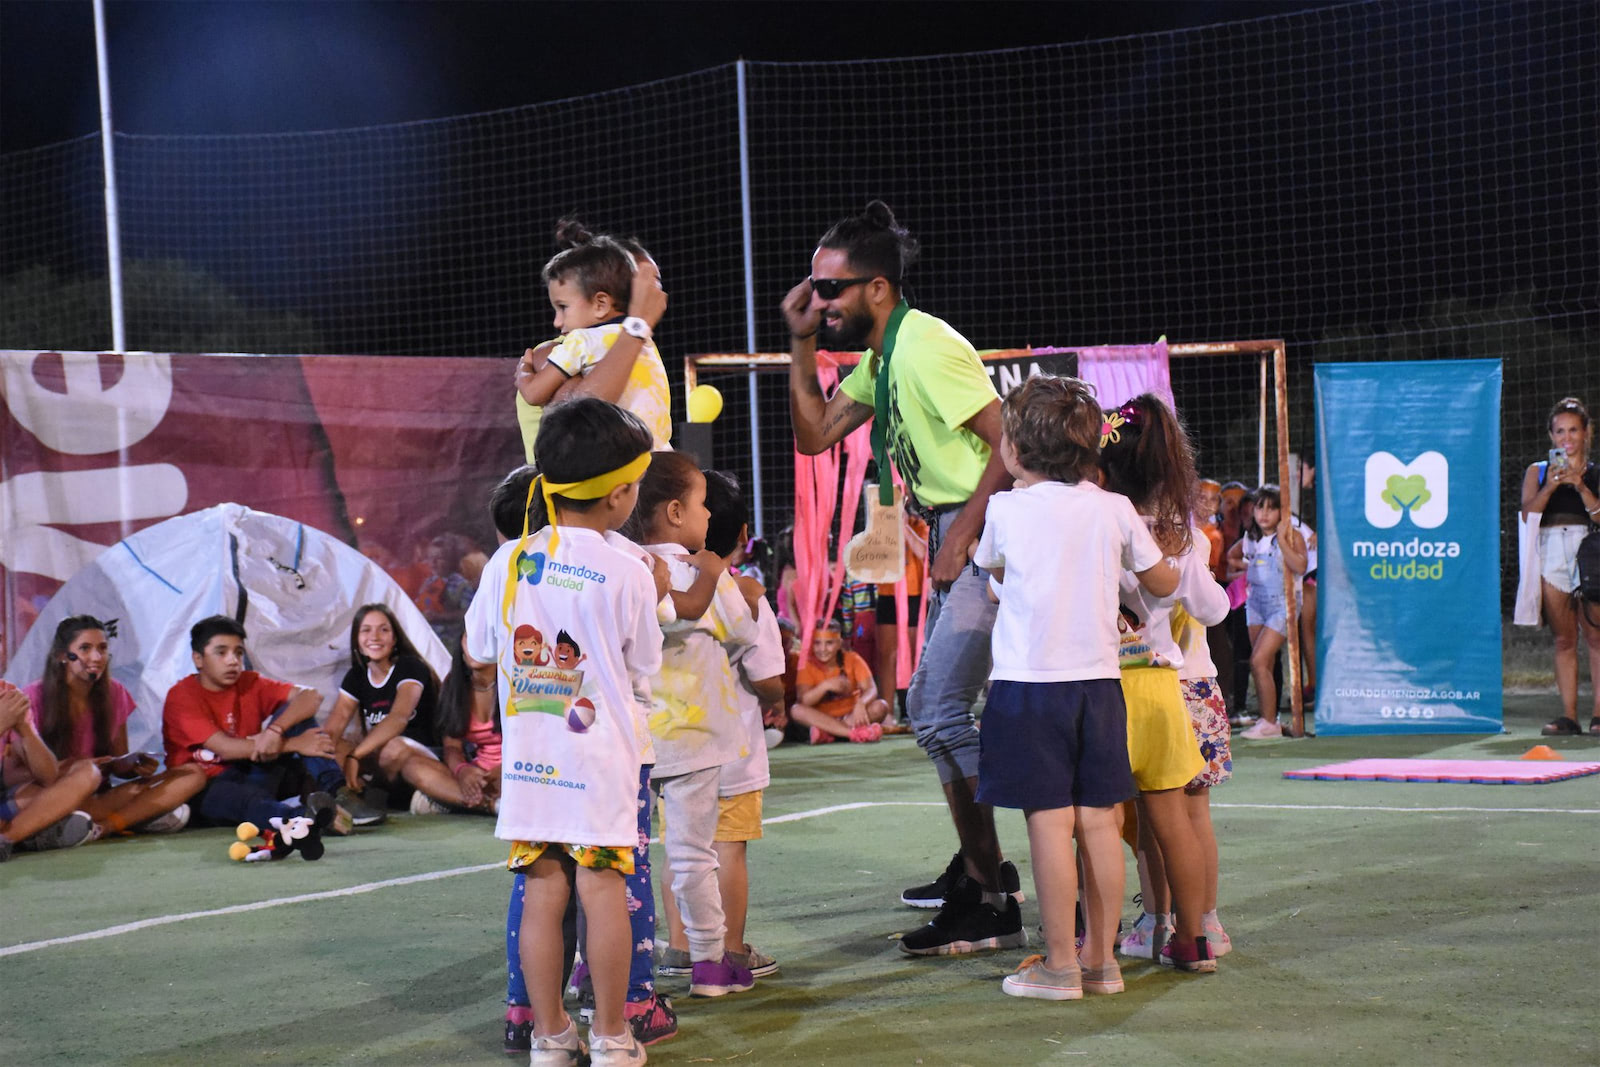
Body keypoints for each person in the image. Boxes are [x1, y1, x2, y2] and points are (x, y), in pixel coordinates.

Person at [782, 199, 1020, 954]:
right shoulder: (883, 358)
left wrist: (967, 533)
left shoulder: (925, 347)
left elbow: (1012, 442)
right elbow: (815, 435)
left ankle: (993, 891)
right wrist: (800, 341)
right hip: (955, 531)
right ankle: (981, 870)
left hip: (988, 535)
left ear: (877, 289)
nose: (820, 301)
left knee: (937, 706)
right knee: (933, 708)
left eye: (831, 289)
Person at [462, 398, 663, 1065]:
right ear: (620, 494)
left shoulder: (509, 561)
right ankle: (611, 1036)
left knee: (543, 888)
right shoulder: (628, 570)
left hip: (531, 761)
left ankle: (549, 1037)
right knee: (602, 892)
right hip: (600, 761)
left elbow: (479, 648)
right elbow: (644, 664)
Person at [971, 375, 1179, 999]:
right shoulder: (1113, 507)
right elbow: (1163, 582)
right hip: (1099, 687)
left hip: (1030, 688)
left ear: (1015, 449)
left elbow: (993, 572)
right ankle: (1100, 963)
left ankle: (1060, 965)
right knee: (1099, 821)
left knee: (1048, 822)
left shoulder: (1005, 508)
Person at [630, 450, 777, 998]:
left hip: (636, 737)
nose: (708, 515)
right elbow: (744, 632)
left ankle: (595, 966)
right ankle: (711, 967)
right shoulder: (703, 572)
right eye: (699, 504)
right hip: (698, 742)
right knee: (695, 856)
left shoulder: (625, 569)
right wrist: (727, 582)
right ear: (675, 512)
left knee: (618, 858)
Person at [1099, 394, 1225, 973]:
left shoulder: (1098, 523)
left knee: (1104, 820)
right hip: (1173, 687)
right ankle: (1200, 933)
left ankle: (1112, 936)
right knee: (1184, 820)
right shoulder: (1182, 536)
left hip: (1108, 688)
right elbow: (1214, 608)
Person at [161, 616, 351, 832]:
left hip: (251, 769)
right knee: (249, 800)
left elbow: (311, 696)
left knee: (296, 714)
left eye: (238, 653)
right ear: (198, 659)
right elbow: (226, 749)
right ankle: (308, 819)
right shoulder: (181, 696)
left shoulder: (250, 682)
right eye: (221, 653)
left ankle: (339, 793)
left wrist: (275, 730)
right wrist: (294, 744)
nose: (233, 661)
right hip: (206, 786)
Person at [23, 616, 206, 837]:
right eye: (85, 648)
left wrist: (132, 765)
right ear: (63, 655)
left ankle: (103, 827)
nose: (96, 657)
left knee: (192, 773)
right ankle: (140, 815)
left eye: (102, 648)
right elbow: (22, 775)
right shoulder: (32, 697)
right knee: (84, 782)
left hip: (101, 795)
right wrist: (79, 768)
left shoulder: (115, 692)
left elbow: (119, 763)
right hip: (51, 797)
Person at [516, 218, 673, 449]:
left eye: (655, 281)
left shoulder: (632, 342)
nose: (651, 291)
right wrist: (637, 327)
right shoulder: (550, 352)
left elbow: (543, 397)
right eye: (643, 280)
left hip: (636, 462)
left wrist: (523, 375)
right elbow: (582, 423)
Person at [323, 604, 473, 816]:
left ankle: (450, 798)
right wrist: (324, 753)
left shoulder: (410, 667)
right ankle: (353, 798)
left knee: (393, 746)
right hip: (386, 766)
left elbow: (398, 718)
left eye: (383, 630)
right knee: (333, 745)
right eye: (366, 630)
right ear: (357, 639)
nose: (374, 637)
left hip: (425, 756)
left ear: (394, 639)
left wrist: (355, 756)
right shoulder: (356, 677)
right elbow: (334, 725)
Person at [1518, 396, 1600, 736]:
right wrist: (1551, 486)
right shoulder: (1537, 472)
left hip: (1589, 553)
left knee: (1596, 636)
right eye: (1560, 431)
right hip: (1551, 551)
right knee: (1564, 639)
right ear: (1551, 436)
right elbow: (1527, 515)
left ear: (1586, 433)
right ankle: (1569, 717)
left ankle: (1598, 716)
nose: (1567, 438)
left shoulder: (1595, 473)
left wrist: (1579, 485)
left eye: (1574, 430)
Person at [1227, 484, 1310, 738]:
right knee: (1265, 662)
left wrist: (1283, 541)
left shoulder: (1292, 536)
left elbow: (1301, 566)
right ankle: (1269, 718)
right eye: (1259, 507)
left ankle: (1269, 722)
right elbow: (1232, 556)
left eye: (1271, 508)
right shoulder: (1250, 538)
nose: (1264, 513)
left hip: (1282, 604)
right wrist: (1245, 570)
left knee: (1258, 661)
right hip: (1255, 604)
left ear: (1281, 513)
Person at [0, 681, 102, 861]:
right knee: (73, 806)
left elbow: (48, 776)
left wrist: (24, 728)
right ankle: (35, 834)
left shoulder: (7, 694)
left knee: (87, 772)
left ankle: (7, 838)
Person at [790, 619, 889, 743]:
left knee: (881, 706)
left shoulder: (853, 659)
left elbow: (871, 689)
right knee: (796, 710)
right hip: (821, 719)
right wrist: (825, 686)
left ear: (839, 644)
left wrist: (861, 703)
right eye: (817, 643)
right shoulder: (807, 664)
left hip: (851, 716)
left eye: (829, 643)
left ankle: (829, 734)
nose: (822, 649)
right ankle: (852, 733)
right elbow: (804, 701)